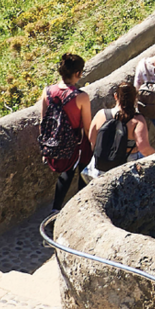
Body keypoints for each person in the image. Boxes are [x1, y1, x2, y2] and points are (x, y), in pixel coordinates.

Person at [38, 53, 93, 210]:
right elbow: (87, 126)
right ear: (78, 73)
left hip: (54, 141)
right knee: (84, 169)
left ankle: (55, 208)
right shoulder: (81, 96)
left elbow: (43, 121)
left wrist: (45, 147)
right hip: (75, 141)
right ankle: (81, 207)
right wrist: (93, 143)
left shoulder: (47, 91)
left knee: (67, 174)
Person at [86, 80, 150, 178]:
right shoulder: (138, 120)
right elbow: (144, 148)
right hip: (126, 166)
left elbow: (91, 142)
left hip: (101, 166)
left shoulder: (101, 114)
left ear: (116, 96)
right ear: (135, 98)